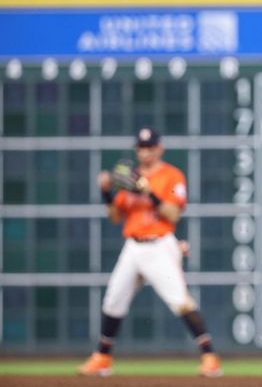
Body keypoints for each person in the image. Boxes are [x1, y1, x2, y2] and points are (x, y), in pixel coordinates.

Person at [78, 127, 222, 378]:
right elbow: (114, 216)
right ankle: (102, 358)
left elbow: (173, 214)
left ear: (160, 148)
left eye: (150, 147)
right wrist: (105, 192)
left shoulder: (171, 175)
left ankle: (210, 358)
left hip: (159, 246)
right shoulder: (130, 178)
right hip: (133, 246)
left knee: (180, 301)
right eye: (141, 147)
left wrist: (148, 192)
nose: (145, 152)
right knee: (113, 300)